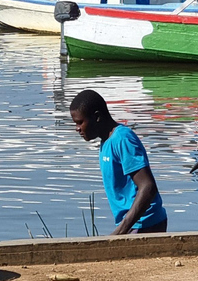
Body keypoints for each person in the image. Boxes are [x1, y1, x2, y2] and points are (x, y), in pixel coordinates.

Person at [69, 90, 167, 235]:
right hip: (132, 224)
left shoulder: (123, 139)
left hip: (145, 223)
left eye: (80, 122)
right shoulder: (106, 142)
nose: (77, 128)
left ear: (96, 117)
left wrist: (121, 230)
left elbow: (148, 186)